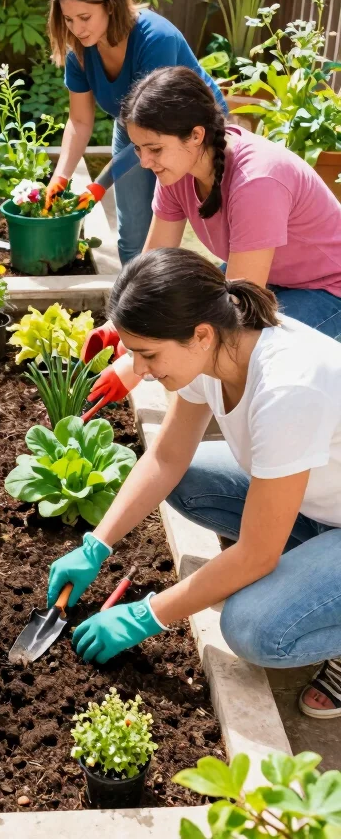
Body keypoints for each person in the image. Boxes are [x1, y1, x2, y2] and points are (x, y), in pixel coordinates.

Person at [49, 247, 341, 719]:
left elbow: (255, 554)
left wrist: (149, 614)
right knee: (188, 478)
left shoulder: (288, 389)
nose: (139, 371)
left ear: (200, 335)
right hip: (324, 500)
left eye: (147, 355)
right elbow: (166, 458)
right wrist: (95, 545)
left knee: (254, 627)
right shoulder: (214, 354)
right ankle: (313, 565)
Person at [84, 67, 341, 415]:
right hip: (271, 275)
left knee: (239, 354)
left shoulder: (256, 181)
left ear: (195, 135)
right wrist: (118, 323)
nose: (145, 162)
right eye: (140, 148)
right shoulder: (178, 169)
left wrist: (134, 366)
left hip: (328, 287)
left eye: (154, 148)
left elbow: (238, 302)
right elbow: (154, 260)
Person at [46, 0, 227, 265]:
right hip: (134, 129)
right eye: (68, 20)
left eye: (85, 17)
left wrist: (98, 185)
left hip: (189, 131)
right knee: (133, 234)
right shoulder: (80, 50)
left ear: (111, 6)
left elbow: (159, 125)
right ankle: (134, 306)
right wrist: (61, 177)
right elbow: (79, 121)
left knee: (177, 228)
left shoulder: (155, 39)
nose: (76, 29)